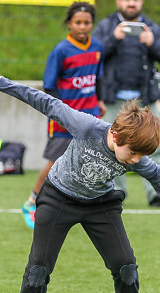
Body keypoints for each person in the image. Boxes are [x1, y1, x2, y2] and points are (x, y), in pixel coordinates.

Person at [0, 73, 160, 293]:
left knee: (126, 265)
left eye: (141, 156)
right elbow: (46, 103)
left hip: (101, 204)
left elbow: (157, 175)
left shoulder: (136, 156)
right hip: (58, 197)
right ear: (116, 135)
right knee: (39, 266)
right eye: (133, 154)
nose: (136, 161)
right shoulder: (85, 126)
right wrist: (4, 83)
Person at [21, 2, 105, 229]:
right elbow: (50, 85)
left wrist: (100, 101)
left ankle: (82, 206)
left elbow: (98, 79)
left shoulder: (97, 47)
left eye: (87, 22)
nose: (82, 27)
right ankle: (31, 202)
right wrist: (62, 113)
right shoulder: (61, 51)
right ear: (69, 23)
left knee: (90, 160)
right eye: (78, 22)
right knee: (55, 161)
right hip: (66, 119)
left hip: (91, 116)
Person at [92, 0, 160, 207]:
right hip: (113, 98)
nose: (131, 3)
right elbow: (93, 54)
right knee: (111, 146)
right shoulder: (106, 26)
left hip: (146, 97)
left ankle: (156, 194)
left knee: (156, 146)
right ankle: (116, 192)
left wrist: (152, 42)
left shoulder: (151, 27)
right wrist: (113, 38)